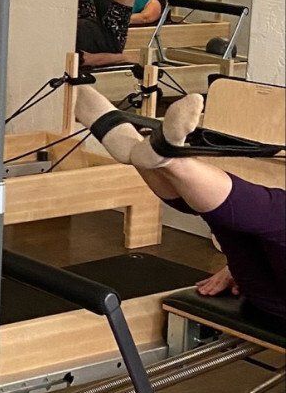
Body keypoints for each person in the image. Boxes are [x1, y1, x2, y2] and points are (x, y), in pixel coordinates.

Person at [75, 87, 285, 324]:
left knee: (274, 213)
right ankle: (153, 155)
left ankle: (155, 155)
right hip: (264, 292)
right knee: (237, 222)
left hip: (270, 300)